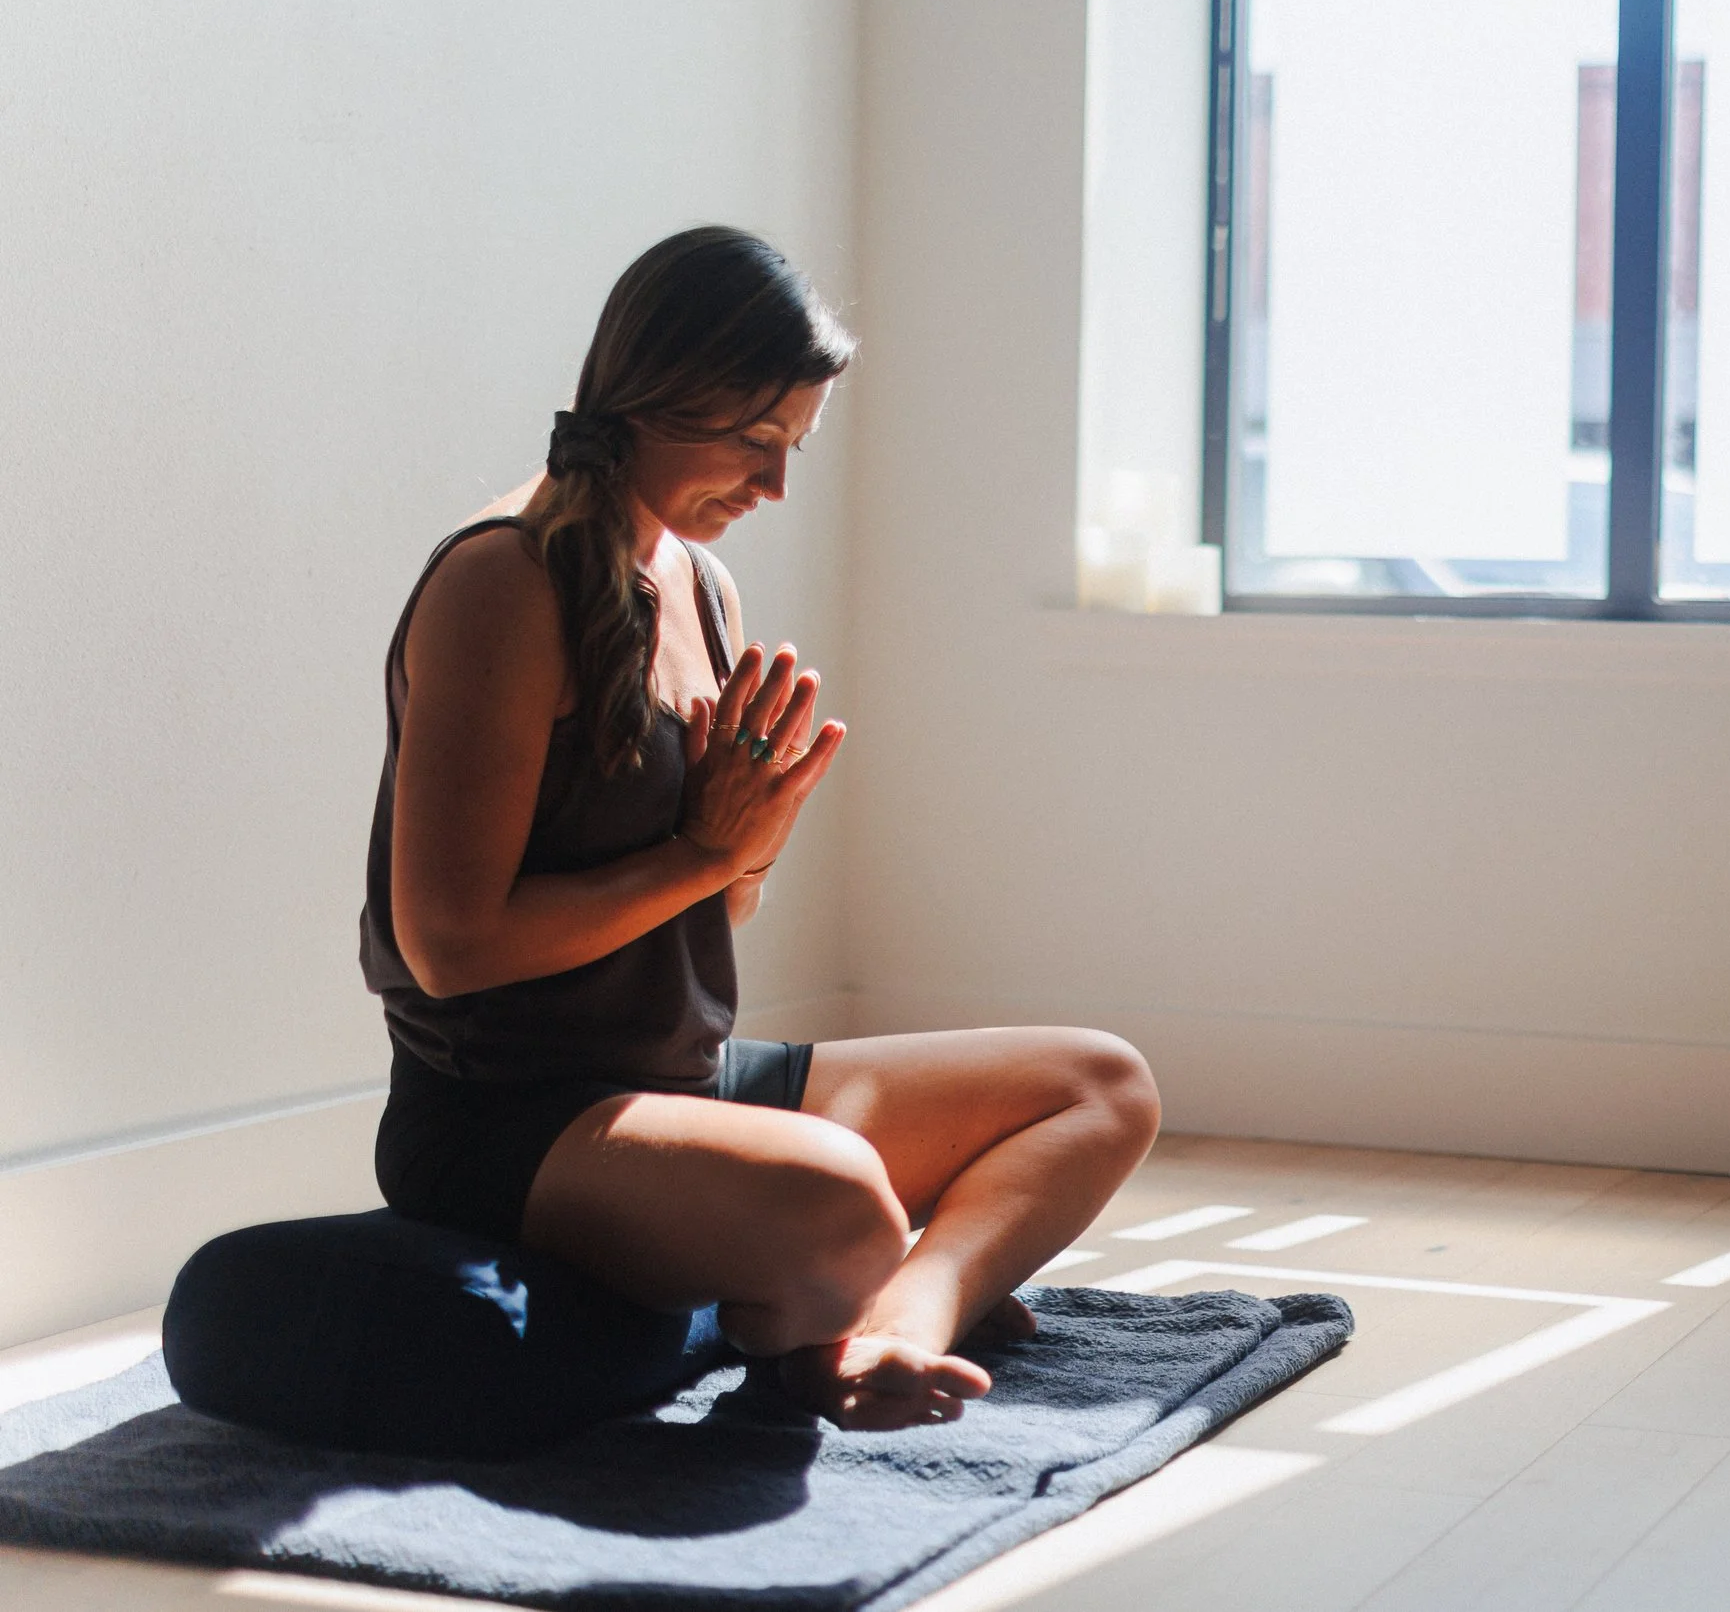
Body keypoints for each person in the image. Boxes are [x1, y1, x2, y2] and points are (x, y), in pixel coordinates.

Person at [362, 226, 1160, 1430]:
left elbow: (718, 909)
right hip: (512, 1119)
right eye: (755, 441)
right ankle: (834, 1301)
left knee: (1102, 1081)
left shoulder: (698, 580)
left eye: (794, 447)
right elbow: (450, 946)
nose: (776, 485)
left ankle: (896, 1323)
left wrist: (749, 839)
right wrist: (699, 852)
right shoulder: (503, 582)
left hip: (680, 1076)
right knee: (844, 1200)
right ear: (651, 395)